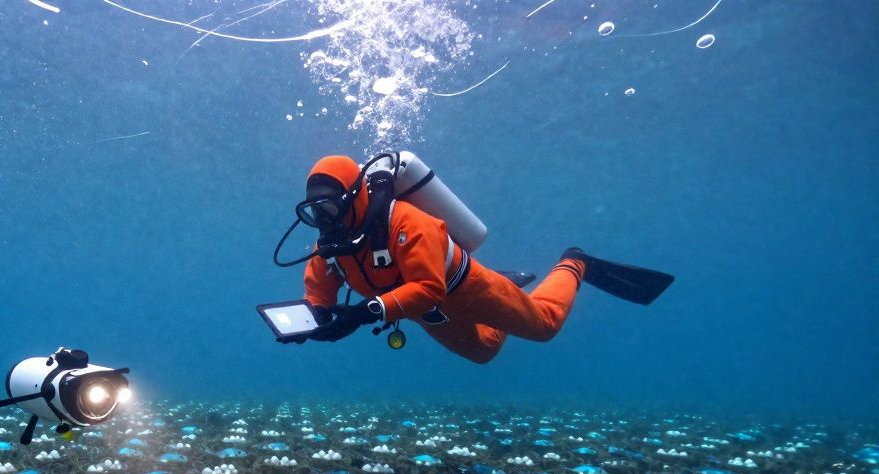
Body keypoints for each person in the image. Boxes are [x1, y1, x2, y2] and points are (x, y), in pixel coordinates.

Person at [277, 154, 673, 363]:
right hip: (423, 310)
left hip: (465, 286)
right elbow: (320, 291)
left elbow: (428, 287)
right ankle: (513, 284)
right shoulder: (329, 247)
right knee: (484, 352)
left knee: (545, 326)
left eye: (328, 208)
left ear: (352, 197)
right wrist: (317, 320)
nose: (322, 222)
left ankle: (575, 262)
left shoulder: (407, 222)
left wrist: (365, 313)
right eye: (315, 211)